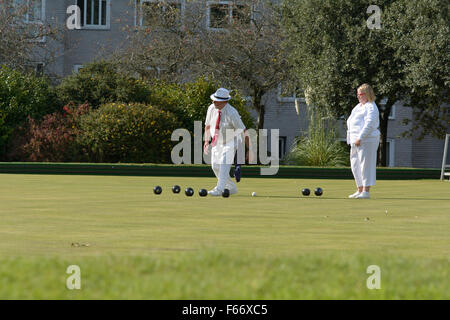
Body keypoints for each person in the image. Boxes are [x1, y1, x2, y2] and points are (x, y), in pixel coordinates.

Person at [203, 88, 249, 196]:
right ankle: (231, 188)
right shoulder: (211, 108)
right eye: (214, 99)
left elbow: (244, 131)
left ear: (224, 101)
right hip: (216, 141)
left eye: (217, 100)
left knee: (224, 164)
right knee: (215, 166)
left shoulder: (232, 113)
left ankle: (219, 189)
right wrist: (206, 141)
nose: (214, 102)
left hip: (230, 142)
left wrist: (249, 149)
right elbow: (208, 126)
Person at [346, 84, 380, 199]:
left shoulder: (371, 107)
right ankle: (359, 189)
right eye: (357, 94)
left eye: (360, 94)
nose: (358, 96)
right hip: (355, 141)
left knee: (366, 165)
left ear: (367, 94)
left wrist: (360, 137)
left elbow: (369, 124)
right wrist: (352, 138)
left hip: (367, 140)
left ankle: (366, 191)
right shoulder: (358, 106)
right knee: (355, 165)